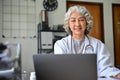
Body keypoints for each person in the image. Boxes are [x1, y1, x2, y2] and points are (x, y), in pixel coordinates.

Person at [54, 5, 120, 79]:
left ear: (87, 22)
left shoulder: (98, 45)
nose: (77, 24)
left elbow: (105, 68)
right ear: (68, 24)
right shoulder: (61, 44)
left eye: (81, 20)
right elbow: (62, 70)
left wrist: (117, 74)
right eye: (73, 20)